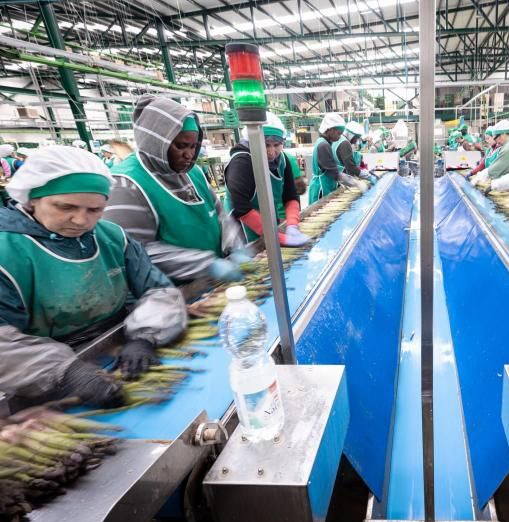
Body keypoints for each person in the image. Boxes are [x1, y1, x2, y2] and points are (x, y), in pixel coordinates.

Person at [0, 146, 187, 408]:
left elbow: (159, 290)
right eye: (65, 207)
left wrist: (144, 337)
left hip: (118, 354)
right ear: (32, 199)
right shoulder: (7, 252)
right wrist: (67, 373)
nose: (81, 221)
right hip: (40, 383)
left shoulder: (112, 237)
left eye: (95, 210)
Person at [103, 95, 245, 283]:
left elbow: (220, 215)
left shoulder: (193, 173)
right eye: (181, 146)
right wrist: (206, 265)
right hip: (169, 291)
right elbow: (134, 251)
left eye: (193, 146)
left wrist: (234, 244)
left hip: (211, 283)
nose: (189, 154)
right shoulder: (126, 184)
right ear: (156, 141)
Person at [224, 112, 311, 248]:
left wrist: (292, 225)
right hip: (242, 231)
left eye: (276, 145)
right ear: (253, 141)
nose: (271, 152)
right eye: (266, 145)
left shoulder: (282, 160)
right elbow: (241, 208)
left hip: (268, 225)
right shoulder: (241, 163)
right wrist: (277, 238)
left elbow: (290, 196)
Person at [309, 113, 369, 205]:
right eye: (339, 133)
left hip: (327, 184)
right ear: (331, 130)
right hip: (321, 188)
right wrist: (355, 183)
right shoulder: (323, 145)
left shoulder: (324, 142)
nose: (339, 137)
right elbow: (334, 172)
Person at [471, 120, 509, 186]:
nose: (496, 142)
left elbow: (497, 168)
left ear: (503, 134)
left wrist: (480, 177)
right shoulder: (506, 146)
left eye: (495, 138)